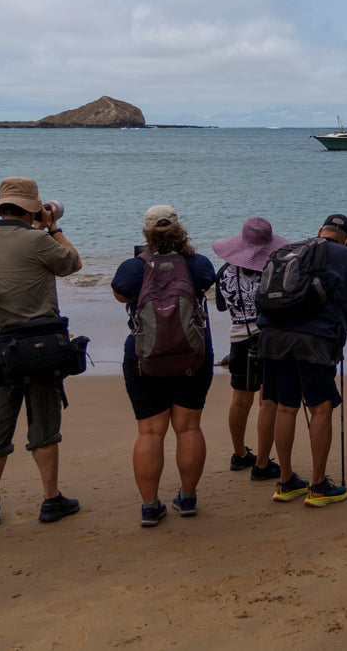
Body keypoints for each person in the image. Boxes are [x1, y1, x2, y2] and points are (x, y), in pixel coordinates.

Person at [0, 176, 82, 527]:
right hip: (39, 350)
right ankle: (51, 500)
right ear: (32, 208)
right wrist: (52, 228)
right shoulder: (39, 240)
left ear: (1, 207)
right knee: (45, 428)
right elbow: (72, 262)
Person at [111, 205, 217, 526]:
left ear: (146, 233)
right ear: (178, 228)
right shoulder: (198, 265)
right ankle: (187, 498)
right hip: (192, 354)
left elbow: (120, 294)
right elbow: (205, 284)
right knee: (188, 428)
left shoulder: (133, 267)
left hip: (145, 357)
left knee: (150, 432)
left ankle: (150, 506)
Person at [257, 213, 347, 507]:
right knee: (321, 407)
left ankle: (286, 481)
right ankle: (318, 486)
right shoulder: (345, 255)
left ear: (320, 231)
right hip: (314, 340)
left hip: (271, 334)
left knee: (285, 406)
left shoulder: (289, 249)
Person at [211, 216, 288, 483]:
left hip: (239, 337)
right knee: (268, 402)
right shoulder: (275, 270)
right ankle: (263, 463)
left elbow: (222, 306)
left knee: (240, 399)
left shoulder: (224, 272)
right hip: (270, 338)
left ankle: (239, 452)